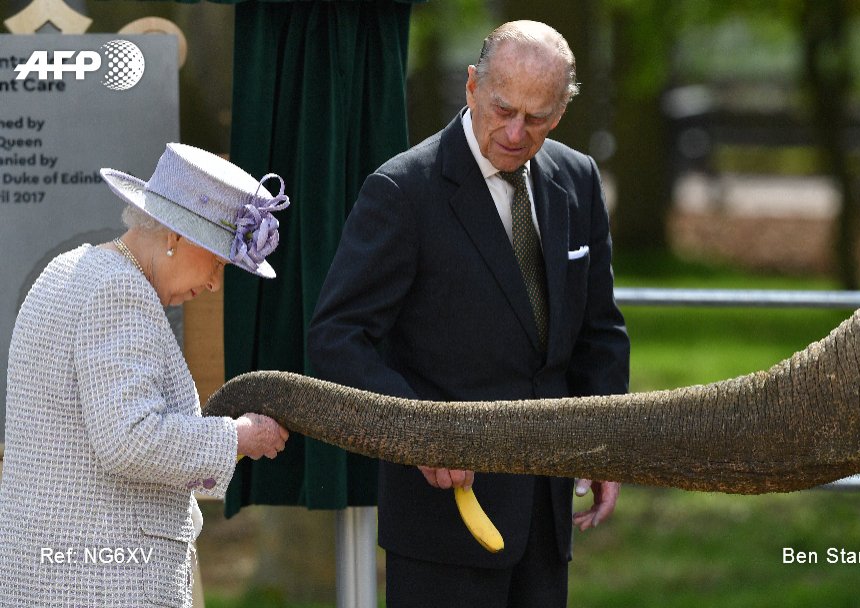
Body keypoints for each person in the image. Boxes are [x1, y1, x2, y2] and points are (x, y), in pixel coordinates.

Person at [308, 20, 630, 608]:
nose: (514, 132)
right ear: (472, 86)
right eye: (503, 108)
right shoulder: (403, 189)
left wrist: (603, 445)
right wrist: (420, 432)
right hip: (441, 522)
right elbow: (336, 338)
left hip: (546, 512)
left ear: (561, 112)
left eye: (536, 119)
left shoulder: (578, 179)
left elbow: (599, 331)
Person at [0, 143, 291, 607]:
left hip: (52, 575)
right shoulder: (120, 289)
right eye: (217, 261)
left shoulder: (67, 270)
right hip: (103, 582)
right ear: (176, 236)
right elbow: (131, 440)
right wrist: (236, 437)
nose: (216, 282)